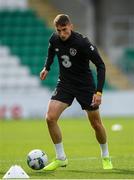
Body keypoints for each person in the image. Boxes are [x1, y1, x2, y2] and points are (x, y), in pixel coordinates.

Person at [40, 14, 113, 171]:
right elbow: (51, 50)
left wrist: (99, 92)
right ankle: (61, 158)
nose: (61, 33)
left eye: (64, 29)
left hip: (84, 86)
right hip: (65, 84)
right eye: (58, 30)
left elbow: (100, 65)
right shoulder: (54, 39)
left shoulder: (82, 43)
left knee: (96, 124)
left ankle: (105, 156)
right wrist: (47, 67)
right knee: (50, 118)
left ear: (71, 26)